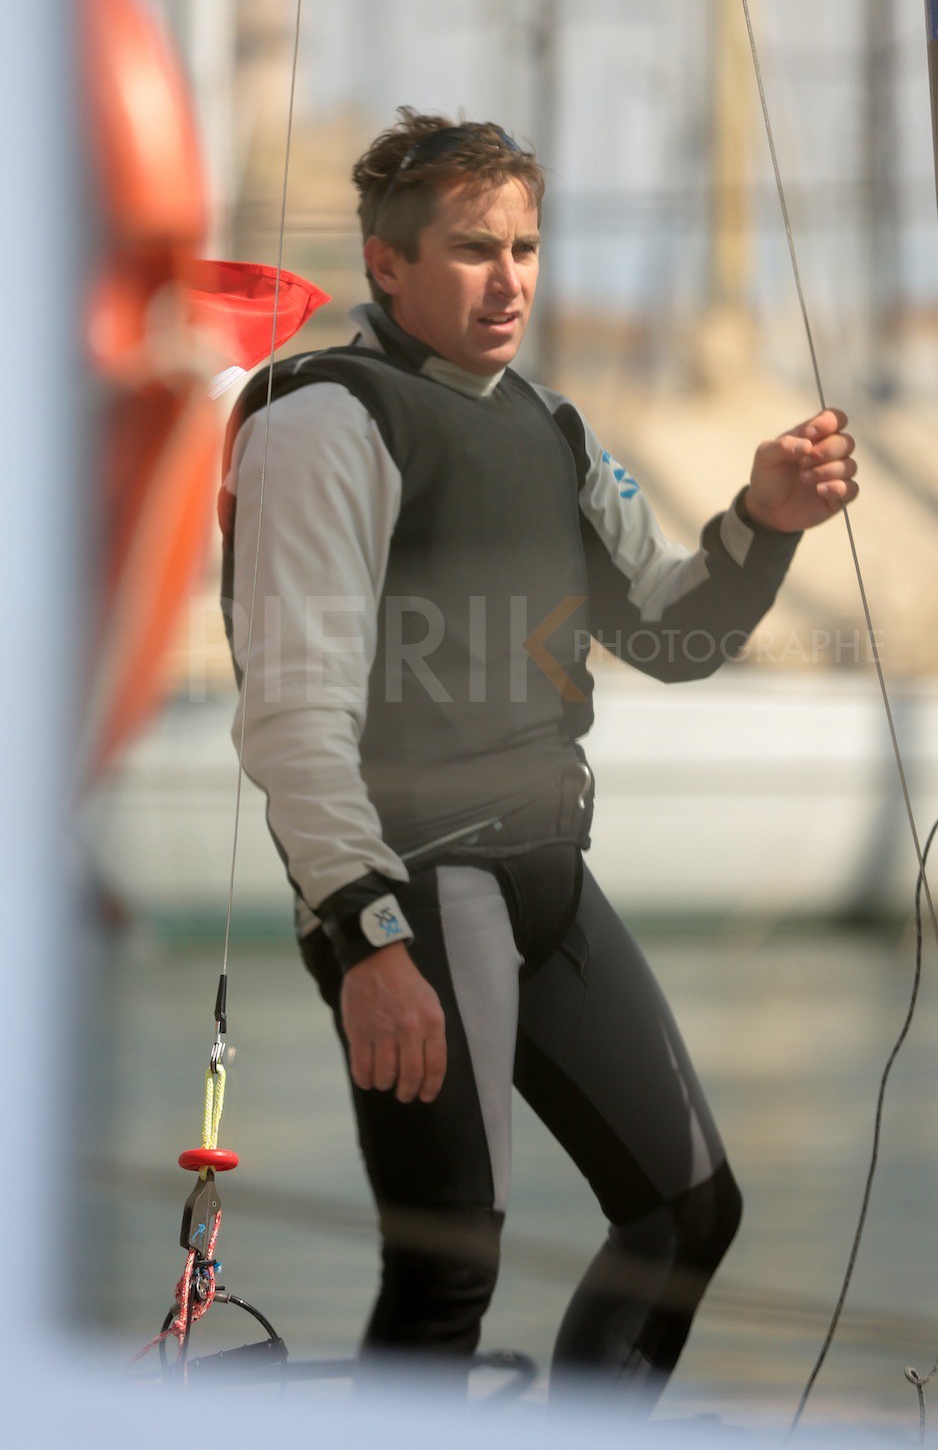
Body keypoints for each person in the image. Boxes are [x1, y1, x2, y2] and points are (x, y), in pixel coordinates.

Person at [218, 109, 859, 1408]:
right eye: (472, 250)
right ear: (387, 263)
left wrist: (764, 521)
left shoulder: (548, 425)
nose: (508, 279)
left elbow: (672, 633)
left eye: (524, 248)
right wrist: (367, 938)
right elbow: (291, 714)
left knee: (689, 1211)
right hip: (409, 891)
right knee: (449, 1266)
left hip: (547, 872)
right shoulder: (321, 421)